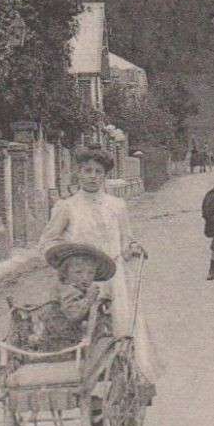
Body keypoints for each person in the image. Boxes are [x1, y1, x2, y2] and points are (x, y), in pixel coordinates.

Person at [38, 147, 162, 387]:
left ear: (105, 175)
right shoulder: (67, 207)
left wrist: (132, 248)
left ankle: (124, 380)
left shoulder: (117, 205)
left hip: (113, 278)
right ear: (78, 173)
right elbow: (47, 242)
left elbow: (126, 239)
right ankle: (87, 378)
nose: (92, 176)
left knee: (120, 326)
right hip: (80, 280)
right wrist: (67, 259)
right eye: (87, 171)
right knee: (85, 329)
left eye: (98, 171)